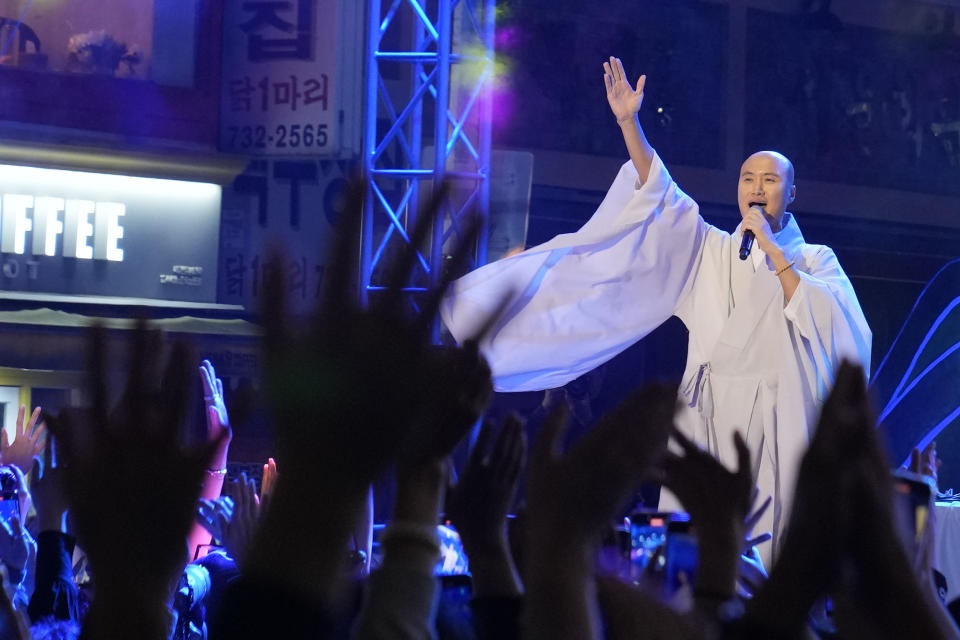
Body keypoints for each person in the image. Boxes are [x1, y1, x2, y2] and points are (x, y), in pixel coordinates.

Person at [440, 56, 872, 567]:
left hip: (777, 420)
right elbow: (661, 197)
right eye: (748, 178)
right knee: (697, 555)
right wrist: (630, 123)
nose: (757, 188)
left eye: (770, 180)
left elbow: (843, 331)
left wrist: (775, 255)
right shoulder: (711, 249)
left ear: (791, 192)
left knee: (770, 555)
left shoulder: (814, 260)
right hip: (708, 421)